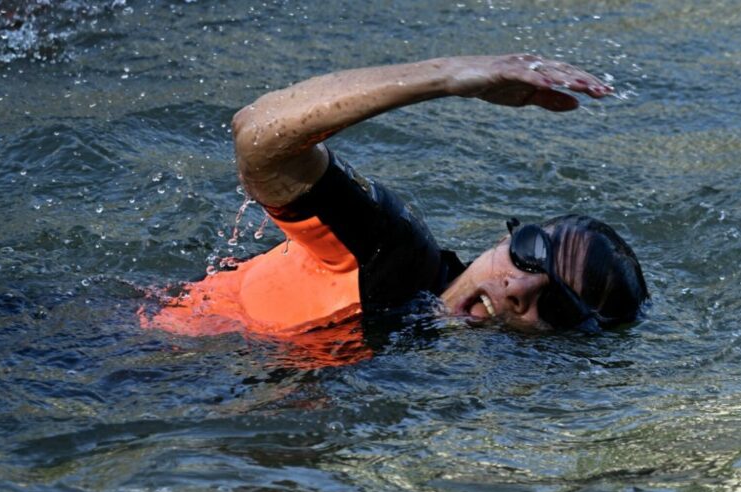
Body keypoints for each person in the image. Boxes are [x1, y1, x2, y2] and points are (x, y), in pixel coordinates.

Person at [142, 54, 648, 339]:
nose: (518, 289)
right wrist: (448, 80)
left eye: (557, 304)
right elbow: (258, 136)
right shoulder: (392, 253)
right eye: (532, 253)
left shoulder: (447, 381)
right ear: (507, 236)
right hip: (100, 358)